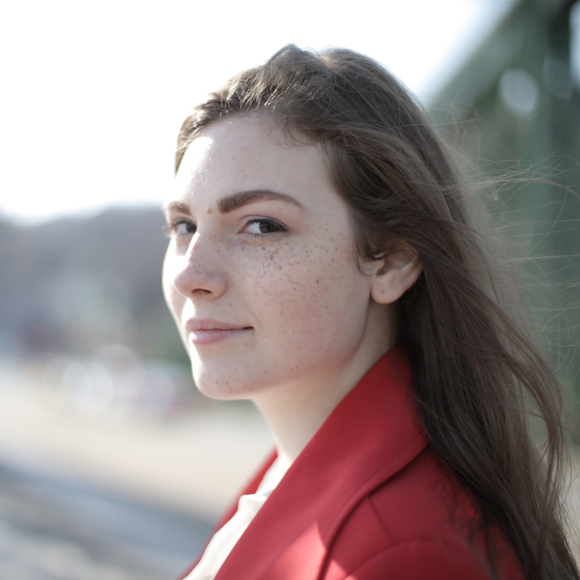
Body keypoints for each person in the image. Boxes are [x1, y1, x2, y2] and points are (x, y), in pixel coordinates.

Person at [161, 45, 579, 580]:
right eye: (184, 227)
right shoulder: (289, 472)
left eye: (262, 225)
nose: (190, 274)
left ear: (392, 261)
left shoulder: (397, 553)